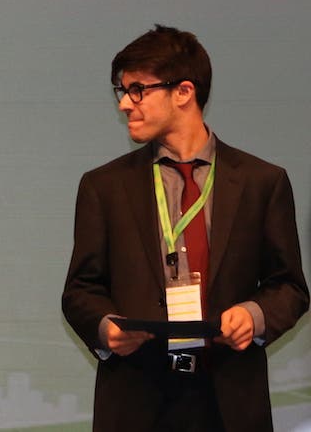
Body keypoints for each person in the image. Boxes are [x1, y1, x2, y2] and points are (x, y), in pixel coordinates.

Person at [62, 25, 308, 431]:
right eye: (122, 91)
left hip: (230, 401)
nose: (124, 104)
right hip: (135, 399)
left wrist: (254, 315)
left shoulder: (262, 182)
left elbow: (290, 287)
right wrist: (106, 329)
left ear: (183, 92)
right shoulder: (104, 186)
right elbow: (80, 291)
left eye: (137, 90)